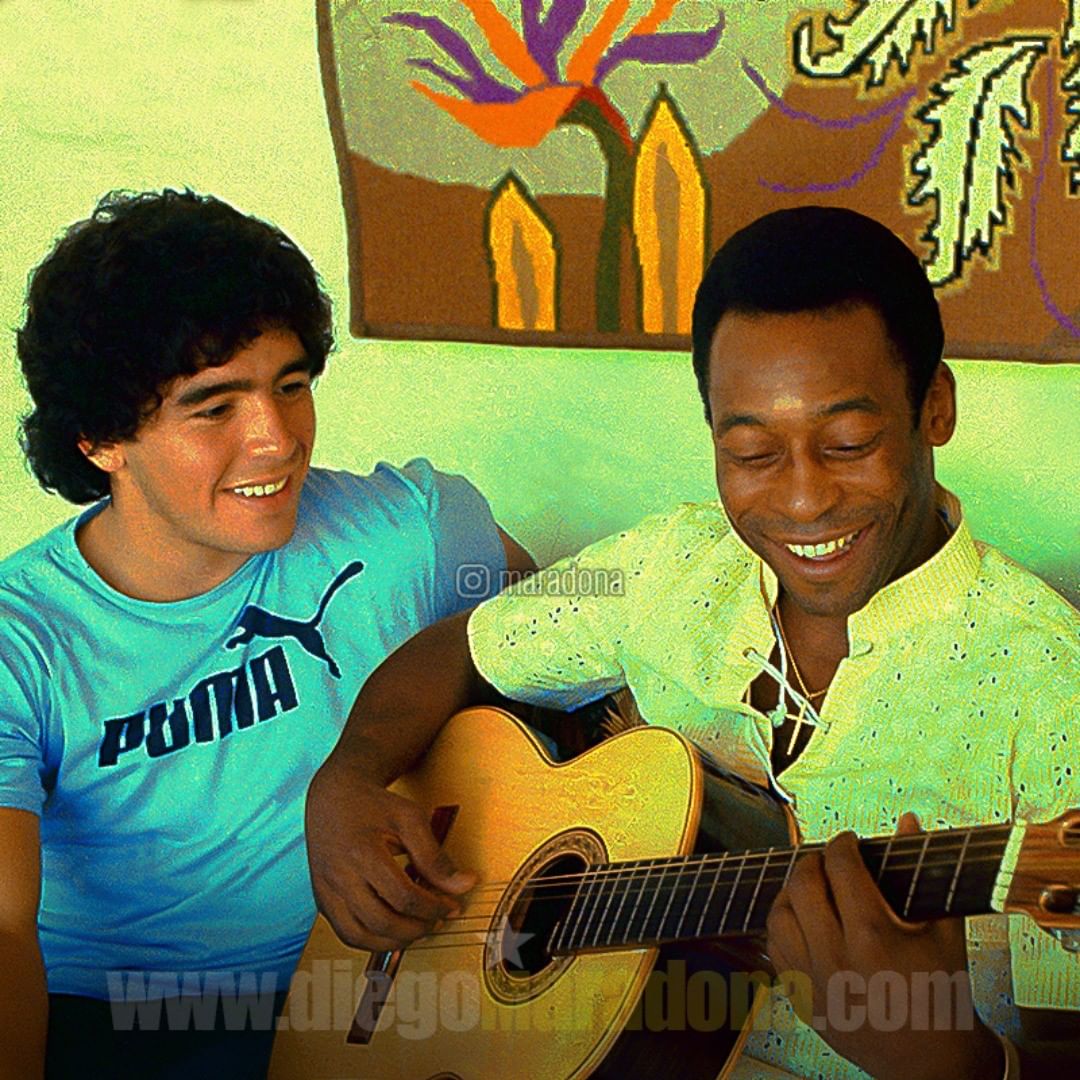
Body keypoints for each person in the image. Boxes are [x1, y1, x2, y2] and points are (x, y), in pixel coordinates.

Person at [306, 207, 1079, 1078]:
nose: (801, 501)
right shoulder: (662, 566)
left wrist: (950, 1062)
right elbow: (463, 645)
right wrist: (348, 777)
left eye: (849, 443)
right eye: (751, 453)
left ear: (933, 406)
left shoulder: (1054, 693)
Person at [0, 188, 535, 1080]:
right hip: (134, 1024)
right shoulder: (23, 639)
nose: (277, 440)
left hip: (390, 990)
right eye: (215, 409)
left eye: (291, 386)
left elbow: (577, 642)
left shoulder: (413, 532)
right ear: (99, 437)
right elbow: (5, 928)